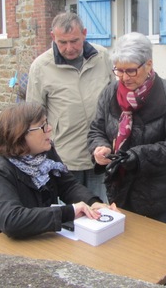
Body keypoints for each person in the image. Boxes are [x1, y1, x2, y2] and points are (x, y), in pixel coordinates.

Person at [87, 32, 166, 287]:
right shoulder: (110, 92)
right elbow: (96, 128)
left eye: (131, 71)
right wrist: (99, 147)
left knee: (165, 260)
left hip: (159, 196)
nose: (123, 77)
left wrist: (137, 155)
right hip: (120, 192)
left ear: (149, 65)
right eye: (118, 70)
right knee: (127, 257)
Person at [0, 102, 115, 244]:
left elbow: (68, 186)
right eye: (43, 126)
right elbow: (11, 220)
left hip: (34, 235)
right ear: (20, 133)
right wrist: (70, 211)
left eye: (47, 123)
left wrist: (93, 203)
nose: (50, 128)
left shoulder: (45, 152)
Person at [26, 12, 113, 203]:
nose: (69, 48)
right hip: (64, 159)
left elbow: (116, 101)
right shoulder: (40, 67)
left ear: (84, 33)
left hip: (100, 154)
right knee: (70, 222)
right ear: (53, 37)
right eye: (62, 42)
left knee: (101, 214)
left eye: (74, 41)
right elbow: (32, 117)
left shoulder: (103, 57)